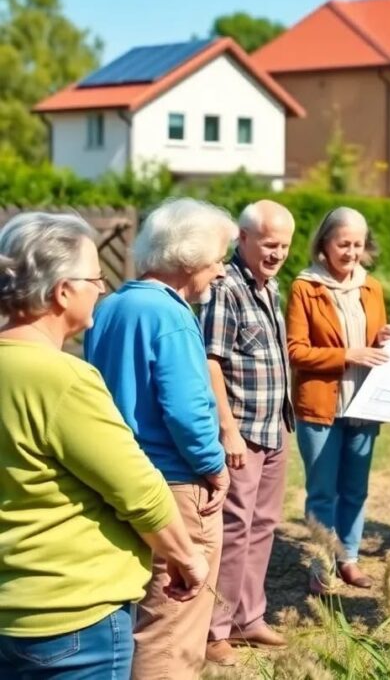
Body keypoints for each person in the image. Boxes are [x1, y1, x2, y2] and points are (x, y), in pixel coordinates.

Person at [0, 212, 208, 679]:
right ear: (61, 292)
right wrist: (187, 557)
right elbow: (138, 490)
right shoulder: (62, 379)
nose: (103, 288)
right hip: (71, 618)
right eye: (96, 277)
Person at [85, 198, 237, 679]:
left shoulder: (111, 306)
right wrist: (215, 467)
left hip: (120, 478)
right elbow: (188, 410)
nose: (220, 271)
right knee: (172, 624)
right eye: (218, 258)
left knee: (136, 615)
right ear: (189, 259)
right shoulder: (170, 315)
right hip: (174, 484)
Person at [200, 200, 296, 666]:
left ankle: (247, 618)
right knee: (234, 527)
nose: (277, 254)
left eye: (284, 246)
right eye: (270, 244)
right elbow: (211, 360)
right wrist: (228, 430)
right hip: (242, 430)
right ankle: (214, 630)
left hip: (275, 425)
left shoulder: (269, 286)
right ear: (244, 239)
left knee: (262, 525)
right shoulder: (227, 288)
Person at [287, 207, 390, 594]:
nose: (351, 252)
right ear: (324, 244)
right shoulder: (306, 287)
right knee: (322, 491)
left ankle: (347, 557)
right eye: (343, 244)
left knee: (355, 489)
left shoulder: (372, 287)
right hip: (320, 407)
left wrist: (382, 339)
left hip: (363, 405)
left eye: (357, 244)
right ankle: (321, 564)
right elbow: (296, 351)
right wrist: (348, 355)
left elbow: (372, 345)